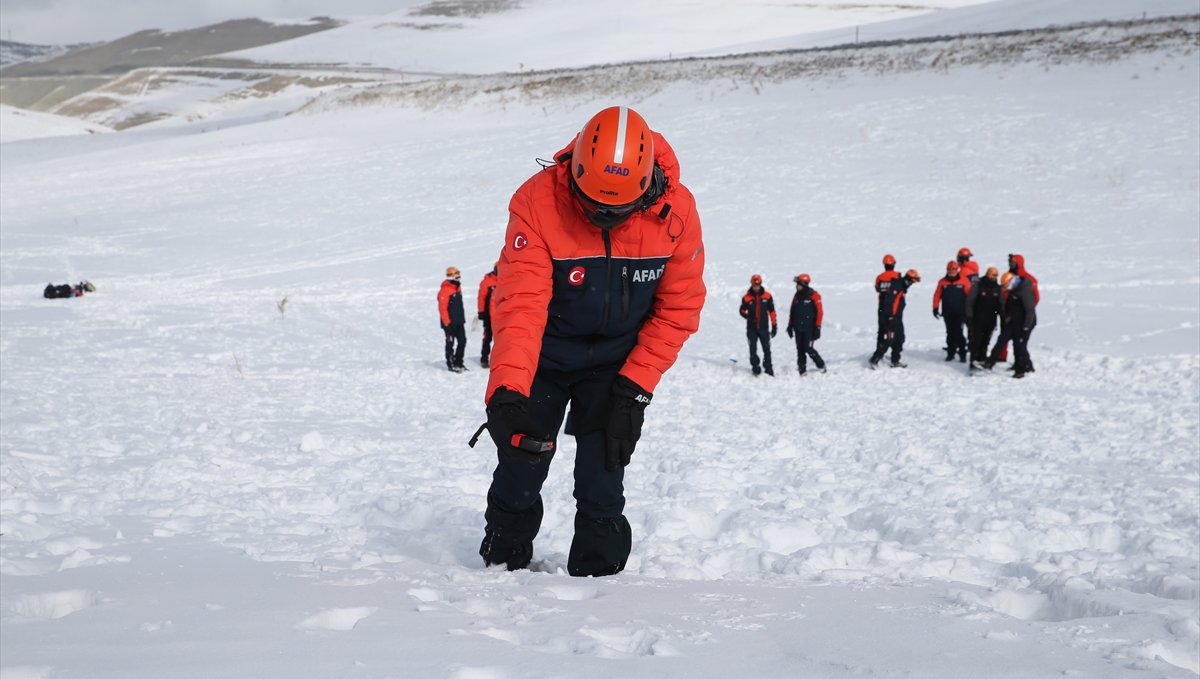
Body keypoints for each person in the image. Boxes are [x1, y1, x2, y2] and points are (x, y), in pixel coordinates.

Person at [473, 105, 706, 577]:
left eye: (615, 210)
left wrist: (634, 389)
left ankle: (600, 583)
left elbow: (679, 308)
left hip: (615, 366)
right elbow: (521, 305)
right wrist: (507, 392)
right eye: (591, 204)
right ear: (574, 171)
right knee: (521, 462)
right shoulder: (537, 203)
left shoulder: (675, 212)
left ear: (644, 190)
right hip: (545, 358)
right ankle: (502, 561)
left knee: (603, 477)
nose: (601, 216)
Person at [984, 270, 1037, 378]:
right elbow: (1009, 304)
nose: (1005, 289)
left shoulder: (1025, 290)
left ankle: (1022, 368)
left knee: (1020, 345)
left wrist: (1026, 327)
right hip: (1013, 320)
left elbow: (1030, 311)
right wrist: (1008, 316)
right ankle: (989, 362)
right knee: (1001, 340)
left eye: (1006, 286)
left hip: (1025, 323)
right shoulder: (1013, 290)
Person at [870, 269, 920, 368]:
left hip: (897, 318)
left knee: (900, 338)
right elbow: (890, 303)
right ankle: (875, 359)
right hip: (890, 317)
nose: (912, 284)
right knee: (890, 339)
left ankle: (895, 360)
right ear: (909, 279)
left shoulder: (902, 286)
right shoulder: (897, 286)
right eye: (913, 281)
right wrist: (891, 317)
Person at [785, 273, 825, 375]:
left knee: (808, 348)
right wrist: (790, 325)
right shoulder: (796, 296)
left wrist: (818, 327)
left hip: (809, 328)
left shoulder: (814, 296)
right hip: (798, 327)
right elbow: (792, 311)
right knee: (800, 349)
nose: (796, 286)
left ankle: (820, 364)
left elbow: (820, 312)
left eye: (798, 284)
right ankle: (802, 369)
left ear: (803, 284)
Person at [932, 260, 971, 362]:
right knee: (950, 333)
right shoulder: (942, 282)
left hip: (960, 313)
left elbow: (970, 296)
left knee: (959, 332)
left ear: (957, 270)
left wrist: (970, 310)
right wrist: (935, 308)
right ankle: (951, 353)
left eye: (953, 270)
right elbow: (937, 295)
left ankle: (962, 354)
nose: (951, 272)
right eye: (949, 270)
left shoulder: (964, 281)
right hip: (947, 313)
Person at [740, 274, 777, 376]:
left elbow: (772, 312)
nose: (756, 287)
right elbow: (742, 310)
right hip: (751, 328)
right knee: (753, 349)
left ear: (760, 284)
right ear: (751, 284)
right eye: (754, 285)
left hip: (764, 328)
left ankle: (768, 368)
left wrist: (774, 326)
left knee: (767, 349)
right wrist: (748, 317)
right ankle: (755, 367)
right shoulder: (746, 298)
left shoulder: (767, 296)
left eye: (758, 285)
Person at [965, 266, 1001, 370]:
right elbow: (970, 302)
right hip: (978, 319)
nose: (995, 277)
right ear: (988, 274)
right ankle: (973, 361)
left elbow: (1000, 304)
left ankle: (982, 360)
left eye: (996, 275)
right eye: (993, 275)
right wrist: (969, 316)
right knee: (976, 341)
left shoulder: (997, 288)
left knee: (986, 341)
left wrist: (1002, 317)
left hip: (991, 319)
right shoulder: (978, 285)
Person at [438, 266, 467, 372]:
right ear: (451, 276)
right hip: (449, 323)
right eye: (456, 274)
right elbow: (442, 308)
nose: (459, 276)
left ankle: (459, 362)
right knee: (450, 343)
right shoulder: (445, 290)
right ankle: (451, 364)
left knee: (462, 341)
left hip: (459, 321)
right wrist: (447, 323)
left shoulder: (458, 288)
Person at [874, 254, 901, 358]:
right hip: (895, 307)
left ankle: (878, 352)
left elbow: (877, 289)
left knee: (881, 330)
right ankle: (894, 355)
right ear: (893, 264)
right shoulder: (898, 276)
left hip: (882, 307)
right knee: (895, 332)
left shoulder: (879, 277)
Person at [477, 262, 499, 368]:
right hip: (488, 315)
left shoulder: (506, 280)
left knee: (501, 339)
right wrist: (481, 312)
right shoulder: (487, 281)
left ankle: (498, 360)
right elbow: (481, 297)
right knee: (487, 337)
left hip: (502, 315)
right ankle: (484, 358)